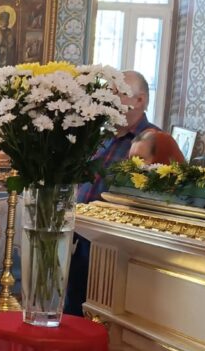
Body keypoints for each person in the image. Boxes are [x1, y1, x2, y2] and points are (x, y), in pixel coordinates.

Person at [66, 69, 154, 316]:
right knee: (74, 310)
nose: (110, 98)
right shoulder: (101, 136)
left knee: (100, 317)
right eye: (109, 91)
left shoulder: (151, 141)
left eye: (118, 92)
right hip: (82, 240)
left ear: (140, 100)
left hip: (117, 249)